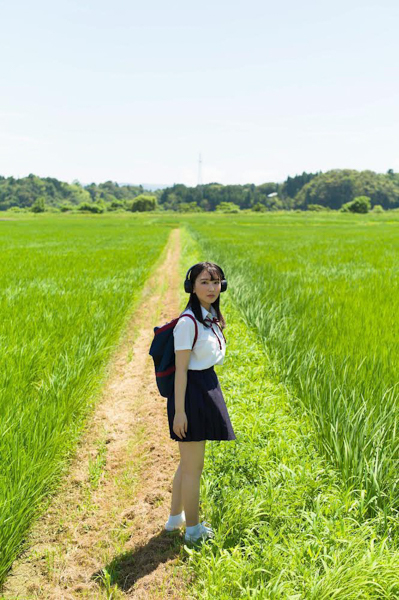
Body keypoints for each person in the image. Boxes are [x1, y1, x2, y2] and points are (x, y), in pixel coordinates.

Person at [164, 261, 236, 544]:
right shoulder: (187, 323)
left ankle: (175, 519)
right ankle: (193, 531)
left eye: (216, 282)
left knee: (187, 463)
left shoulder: (208, 317)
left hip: (205, 388)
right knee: (194, 468)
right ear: (191, 287)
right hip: (191, 394)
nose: (211, 288)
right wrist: (180, 413)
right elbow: (181, 372)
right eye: (204, 282)